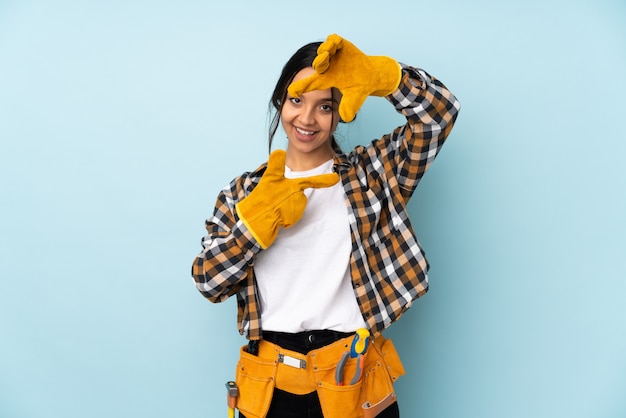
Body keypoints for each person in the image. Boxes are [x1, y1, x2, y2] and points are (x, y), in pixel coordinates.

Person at [192, 34, 460, 418]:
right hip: (269, 386)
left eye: (325, 106)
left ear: (342, 111)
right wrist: (252, 229)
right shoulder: (242, 194)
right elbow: (207, 282)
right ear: (279, 101)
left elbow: (440, 115)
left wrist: (385, 76)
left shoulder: (374, 173)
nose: (307, 118)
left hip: (352, 377)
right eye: (297, 100)